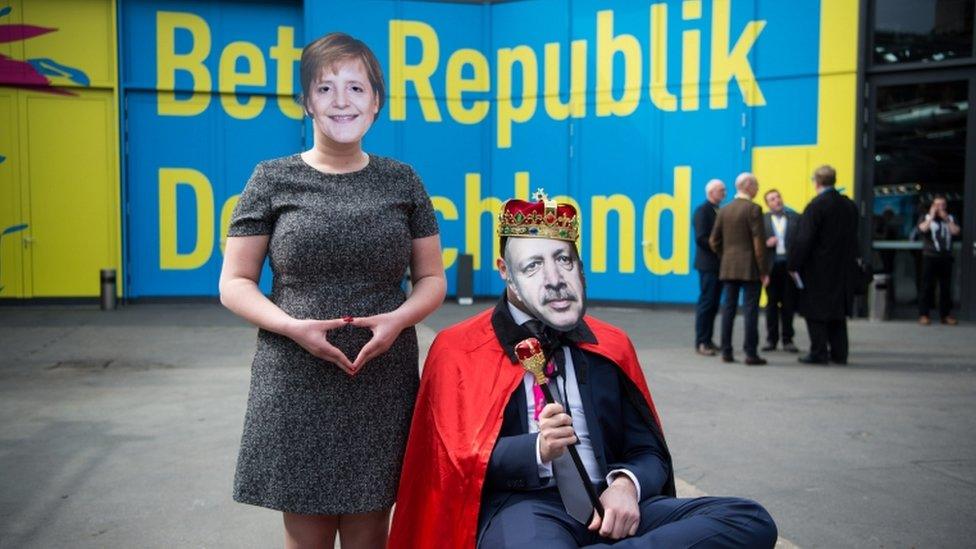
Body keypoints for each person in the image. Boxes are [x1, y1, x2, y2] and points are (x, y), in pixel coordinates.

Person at [389, 192, 778, 549]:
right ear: (504, 271)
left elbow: (647, 449)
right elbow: (445, 461)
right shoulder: (460, 349)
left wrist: (626, 484)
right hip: (525, 506)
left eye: (563, 260)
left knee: (748, 520)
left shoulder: (609, 344)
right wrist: (536, 450)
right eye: (534, 264)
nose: (555, 279)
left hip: (609, 503)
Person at [218, 32, 446, 548]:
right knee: (306, 538)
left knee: (372, 534)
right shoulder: (271, 179)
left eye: (355, 88)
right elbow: (234, 283)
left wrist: (399, 319)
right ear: (306, 102)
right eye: (325, 88)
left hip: (381, 377)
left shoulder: (403, 181)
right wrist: (291, 327)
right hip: (295, 376)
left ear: (376, 101)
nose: (341, 101)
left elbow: (432, 280)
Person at [788, 165, 858, 365]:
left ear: (816, 182)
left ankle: (819, 352)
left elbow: (804, 239)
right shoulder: (848, 205)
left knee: (815, 311)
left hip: (818, 268)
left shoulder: (816, 206)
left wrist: (793, 265)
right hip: (843, 267)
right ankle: (840, 353)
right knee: (837, 312)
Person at [709, 173, 769, 365]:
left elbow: (713, 241)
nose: (758, 189)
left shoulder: (724, 210)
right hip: (750, 267)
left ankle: (726, 351)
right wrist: (764, 270)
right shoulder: (753, 209)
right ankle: (750, 353)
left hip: (728, 266)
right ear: (748, 186)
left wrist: (725, 256)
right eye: (756, 185)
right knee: (750, 309)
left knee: (729, 309)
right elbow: (759, 242)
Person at [761, 189, 800, 353]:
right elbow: (755, 243)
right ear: (768, 204)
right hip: (771, 267)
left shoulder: (795, 218)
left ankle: (788, 339)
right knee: (771, 304)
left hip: (789, 266)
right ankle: (771, 339)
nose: (776, 201)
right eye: (772, 199)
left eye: (778, 197)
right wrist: (765, 243)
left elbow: (801, 242)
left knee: (788, 304)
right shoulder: (762, 220)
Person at [693, 179, 726, 356]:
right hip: (708, 264)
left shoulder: (718, 210)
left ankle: (708, 339)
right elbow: (701, 237)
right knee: (706, 303)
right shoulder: (702, 211)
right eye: (721, 190)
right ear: (711, 192)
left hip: (718, 264)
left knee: (714, 304)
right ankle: (701, 342)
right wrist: (721, 247)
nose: (724, 193)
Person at [916, 194, 960, 325]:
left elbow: (956, 231)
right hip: (930, 257)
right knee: (926, 287)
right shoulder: (926, 217)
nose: (940, 208)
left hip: (945, 257)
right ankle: (924, 314)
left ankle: (945, 315)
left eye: (943, 205)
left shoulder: (951, 218)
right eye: (937, 205)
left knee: (945, 288)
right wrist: (931, 216)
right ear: (932, 206)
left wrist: (946, 219)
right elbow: (922, 228)